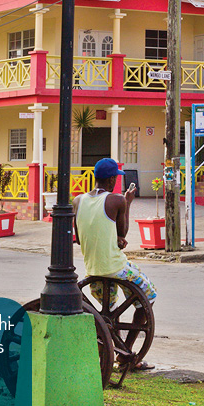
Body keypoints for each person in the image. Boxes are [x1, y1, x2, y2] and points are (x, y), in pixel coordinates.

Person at [73, 157, 156, 371]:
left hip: (92, 268)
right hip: (116, 267)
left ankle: (116, 351)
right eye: (115, 179)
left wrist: (113, 239)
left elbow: (81, 238)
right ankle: (126, 353)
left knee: (108, 310)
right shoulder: (116, 200)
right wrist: (127, 203)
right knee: (149, 295)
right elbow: (123, 232)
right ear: (111, 180)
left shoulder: (78, 201)